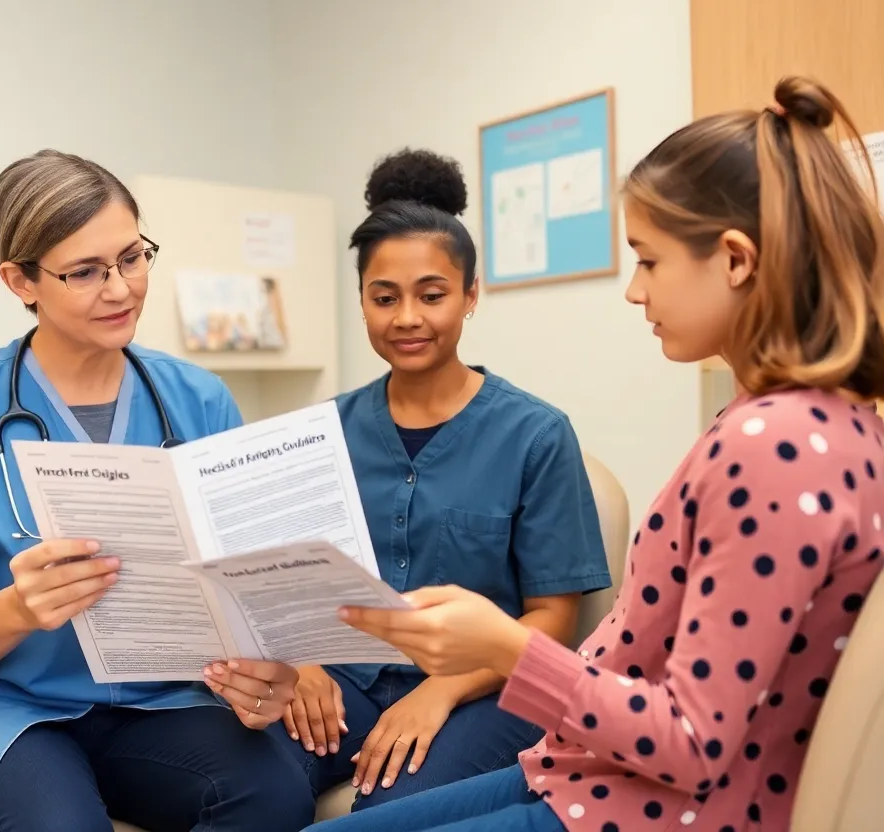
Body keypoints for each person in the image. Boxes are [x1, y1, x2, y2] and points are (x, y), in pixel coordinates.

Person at [309, 75, 884, 832]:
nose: (634, 291)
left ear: (737, 261)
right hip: (595, 771)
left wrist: (506, 647)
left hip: (654, 804)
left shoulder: (776, 448)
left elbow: (691, 742)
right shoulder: (790, 423)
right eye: (384, 296)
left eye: (648, 261)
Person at [0, 149, 316, 832]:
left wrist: (265, 674)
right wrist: (20, 607)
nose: (121, 289)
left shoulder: (199, 400)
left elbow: (249, 596)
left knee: (274, 796)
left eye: (133, 258)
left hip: (162, 704)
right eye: (85, 272)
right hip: (7, 712)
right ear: (20, 280)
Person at [267, 148, 613, 812]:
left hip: (486, 692)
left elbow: (552, 620)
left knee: (388, 810)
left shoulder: (536, 435)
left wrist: (441, 689)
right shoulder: (323, 432)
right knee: (246, 782)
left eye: (432, 295)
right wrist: (302, 663)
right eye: (384, 297)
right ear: (361, 299)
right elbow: (289, 586)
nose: (407, 319)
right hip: (345, 682)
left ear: (471, 295)